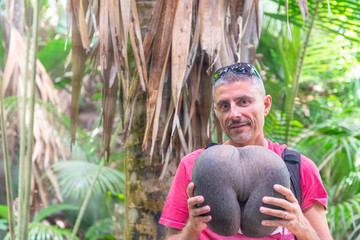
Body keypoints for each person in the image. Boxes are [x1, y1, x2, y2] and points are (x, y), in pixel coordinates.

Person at [159, 62, 332, 240]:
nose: (234, 114)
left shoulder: (299, 169)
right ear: (216, 112)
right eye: (224, 106)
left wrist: (302, 227)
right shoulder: (194, 165)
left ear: (266, 105)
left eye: (243, 102)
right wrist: (192, 228)